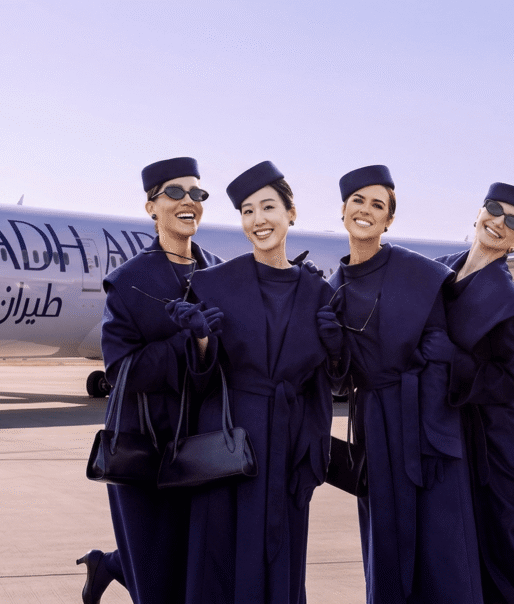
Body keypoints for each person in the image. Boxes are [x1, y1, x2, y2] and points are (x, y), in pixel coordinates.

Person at [178, 161, 341, 603]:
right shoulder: (212, 284)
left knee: (280, 557)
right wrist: (201, 341)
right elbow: (196, 379)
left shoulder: (320, 294)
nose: (257, 220)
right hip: (228, 446)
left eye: (268, 207)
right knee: (221, 558)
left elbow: (327, 383)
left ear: (291, 213)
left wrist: (314, 451)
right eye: (247, 212)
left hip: (289, 446)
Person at [330, 165, 482, 603]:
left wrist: (433, 436)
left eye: (377, 205)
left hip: (428, 427)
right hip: (374, 427)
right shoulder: (334, 286)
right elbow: (338, 380)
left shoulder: (419, 271)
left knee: (442, 549)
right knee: (386, 543)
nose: (365, 210)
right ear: (343, 211)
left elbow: (442, 351)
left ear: (388, 221)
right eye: (358, 201)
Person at [77, 157, 223, 604]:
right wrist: (188, 342)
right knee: (158, 584)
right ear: (151, 207)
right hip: (147, 451)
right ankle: (120, 564)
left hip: (208, 448)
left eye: (197, 194)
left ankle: (112, 564)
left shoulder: (221, 274)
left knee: (197, 572)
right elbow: (120, 371)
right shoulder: (128, 282)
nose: (188, 202)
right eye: (175, 193)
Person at [435, 183, 514, 603]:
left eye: (512, 222)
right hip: (456, 415)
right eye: (493, 209)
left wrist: (455, 362)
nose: (497, 222)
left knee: (499, 519)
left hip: (497, 425)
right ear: (479, 212)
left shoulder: (509, 302)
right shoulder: (441, 269)